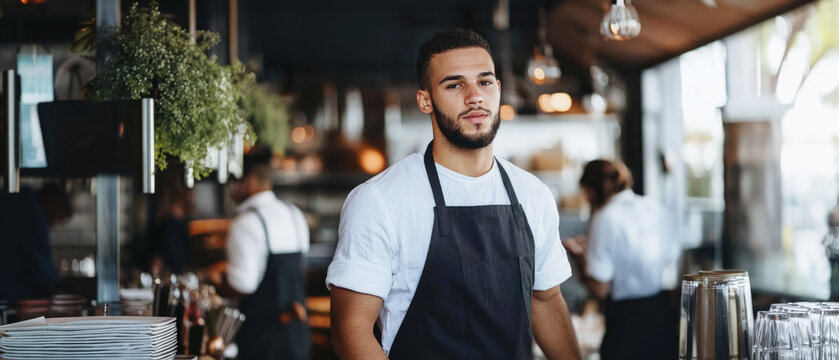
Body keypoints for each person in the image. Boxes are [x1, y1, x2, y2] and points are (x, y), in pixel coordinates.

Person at [326, 29, 582, 360]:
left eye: (485, 82)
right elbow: (351, 332)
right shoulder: (380, 200)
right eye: (455, 84)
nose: (475, 96)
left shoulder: (533, 194)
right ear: (425, 100)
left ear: (499, 90)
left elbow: (546, 302)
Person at [563, 159, 680, 359]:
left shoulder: (604, 217)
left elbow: (600, 289)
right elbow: (671, 257)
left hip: (626, 324)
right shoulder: (654, 206)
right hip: (663, 316)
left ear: (591, 191)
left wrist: (579, 258)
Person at [220, 147, 311, 360]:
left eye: (233, 182)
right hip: (296, 338)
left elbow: (243, 285)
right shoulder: (294, 213)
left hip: (261, 342)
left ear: (250, 180)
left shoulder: (246, 223)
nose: (230, 190)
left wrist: (219, 277)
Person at [0, 183, 71, 301]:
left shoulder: (21, 197)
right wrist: (59, 288)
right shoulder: (33, 214)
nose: (54, 225)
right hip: (7, 290)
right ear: (52, 202)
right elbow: (41, 266)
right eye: (58, 218)